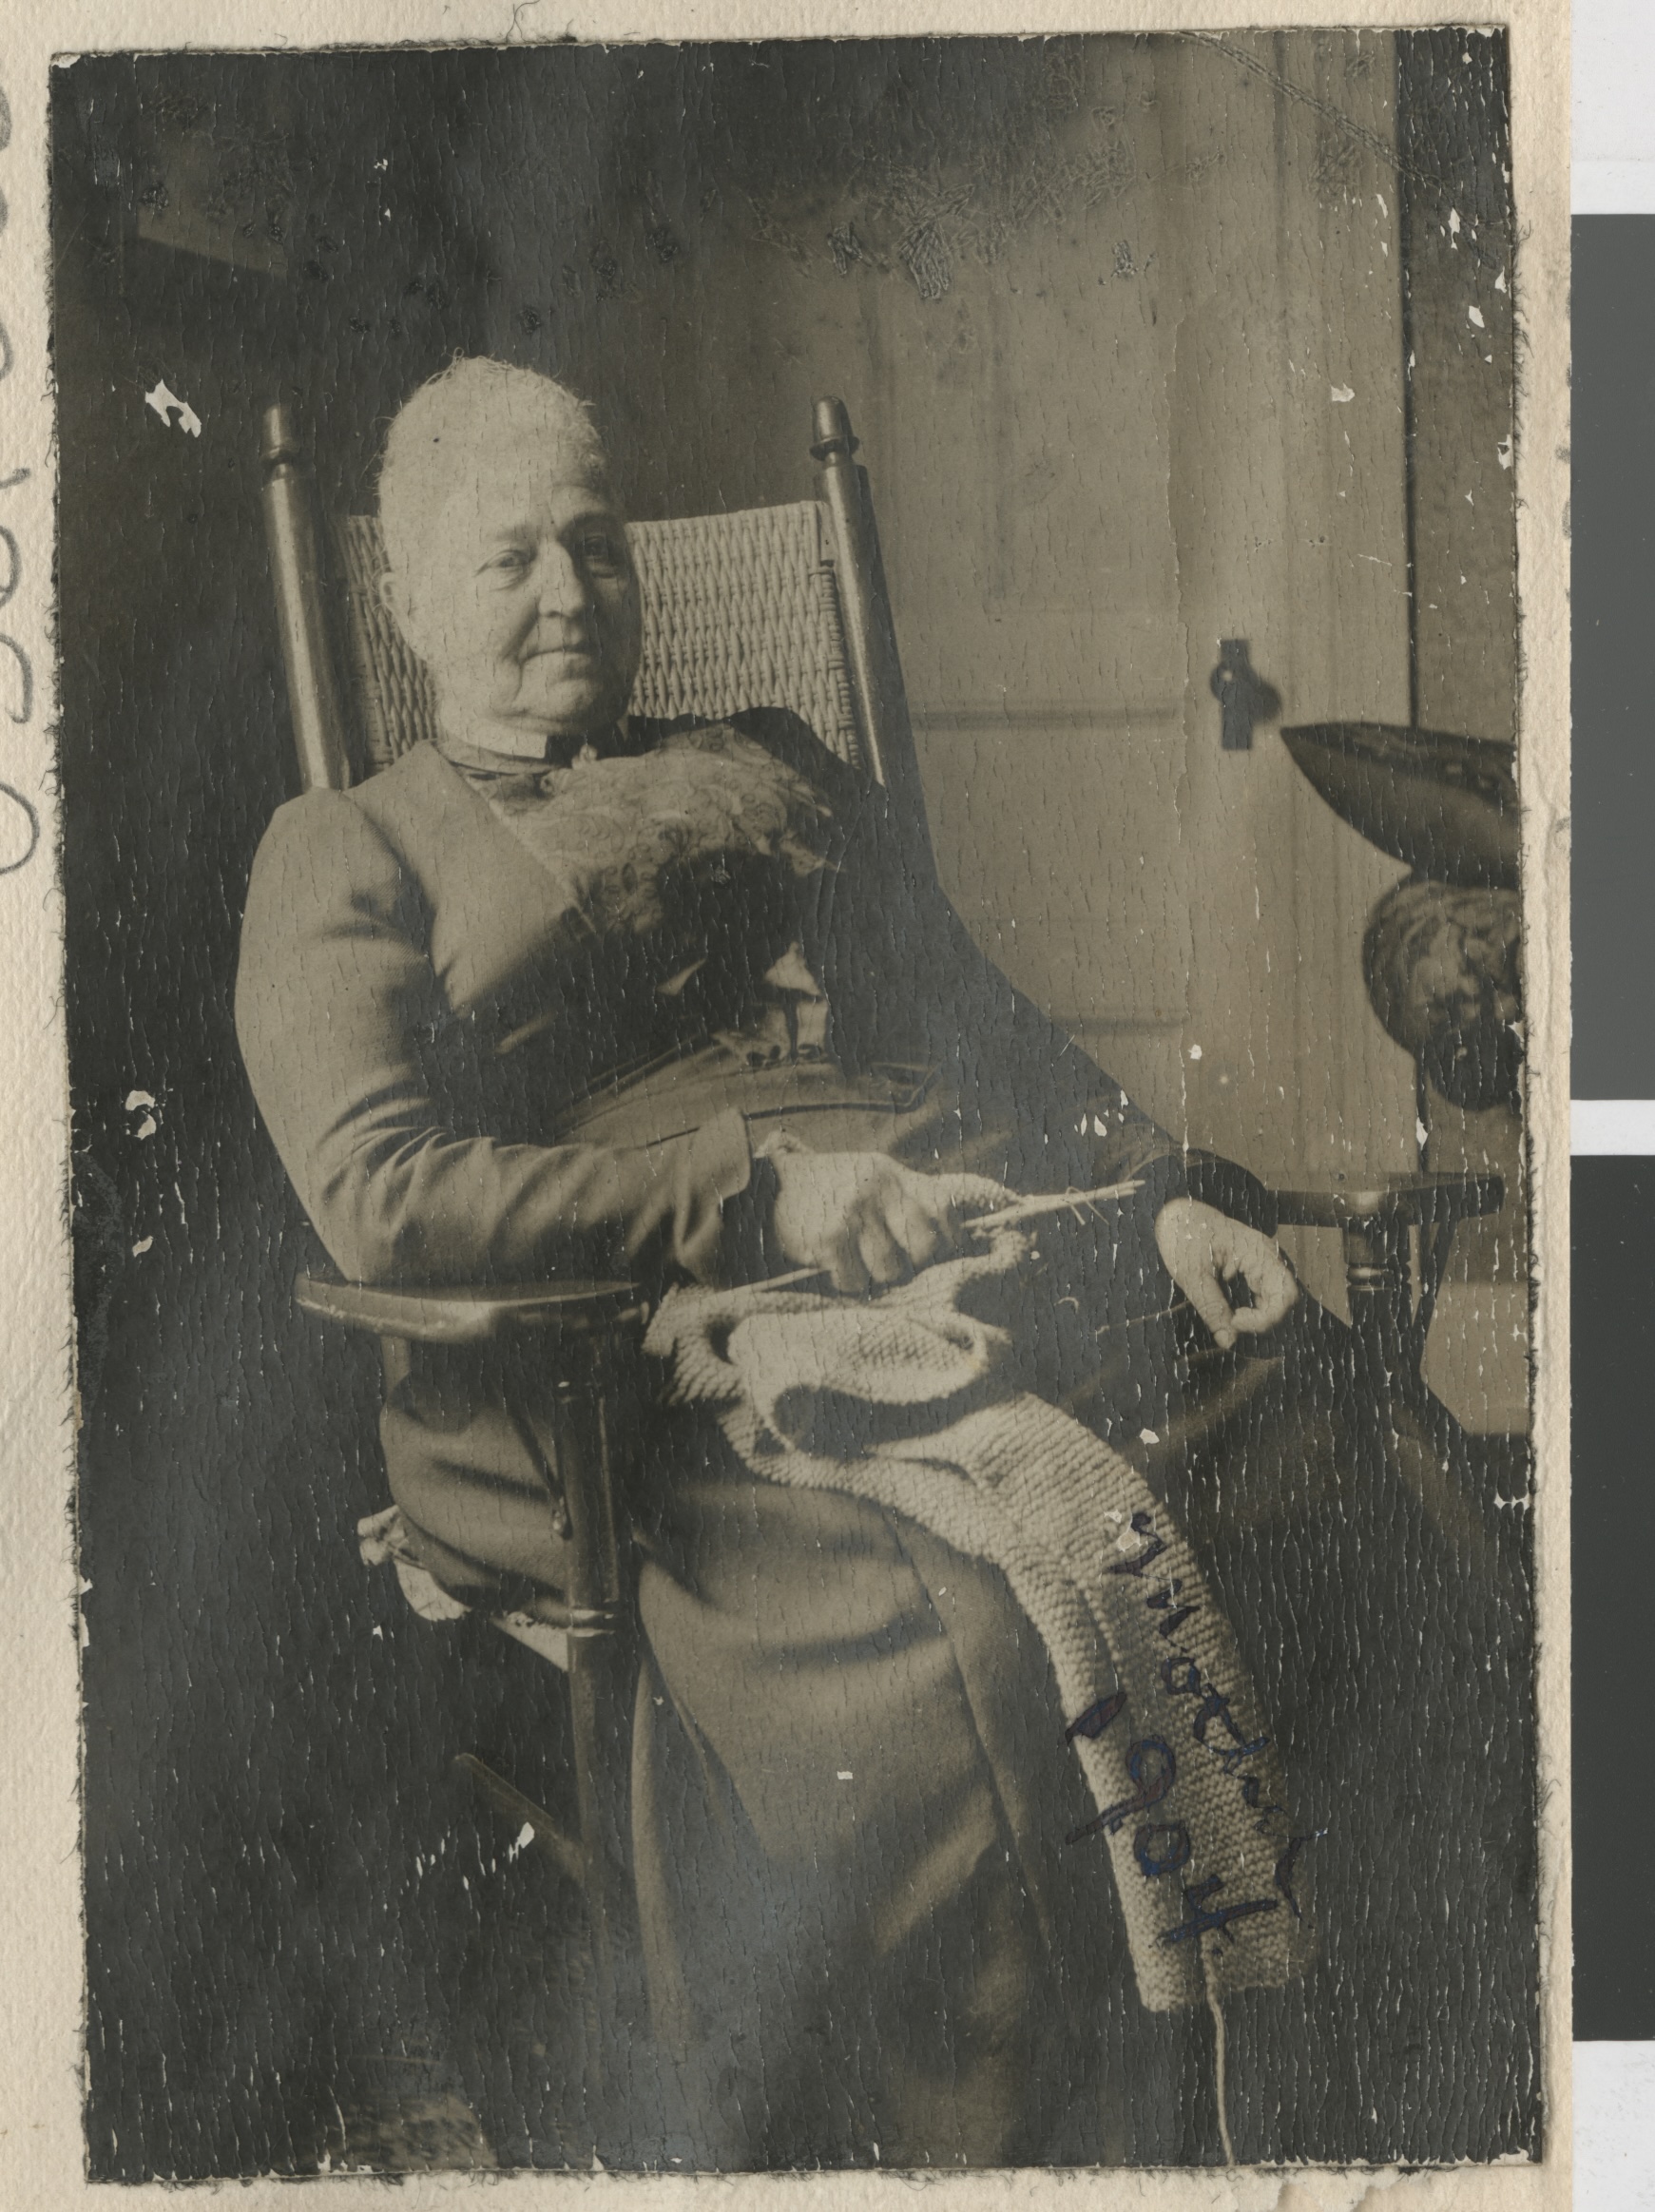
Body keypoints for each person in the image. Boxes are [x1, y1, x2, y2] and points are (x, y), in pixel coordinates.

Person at [235, 359, 1457, 2170]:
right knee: (961, 1626)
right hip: (630, 1369)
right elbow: (381, 1194)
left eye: (596, 548)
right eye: (506, 564)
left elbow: (983, 1032)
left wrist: (1163, 1193)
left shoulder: (773, 769)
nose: (567, 598)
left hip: (966, 1264)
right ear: (407, 603)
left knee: (1333, 1429)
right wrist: (761, 1195)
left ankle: (1366, 2081)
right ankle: (1041, 2155)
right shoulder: (351, 848)